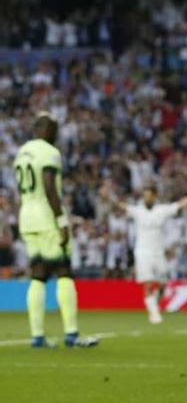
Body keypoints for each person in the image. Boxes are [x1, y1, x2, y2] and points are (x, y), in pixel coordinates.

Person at [13, 112, 98, 348]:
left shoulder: (22, 152)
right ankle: (72, 334)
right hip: (46, 217)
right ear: (44, 128)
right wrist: (61, 221)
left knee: (38, 275)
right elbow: (49, 186)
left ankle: (37, 336)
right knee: (64, 271)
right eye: (54, 129)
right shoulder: (49, 153)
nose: (57, 134)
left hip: (27, 217)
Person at [105, 184, 187, 324]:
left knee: (163, 284)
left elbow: (180, 204)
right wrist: (109, 197)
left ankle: (153, 304)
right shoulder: (138, 211)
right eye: (144, 196)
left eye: (149, 196)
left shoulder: (161, 210)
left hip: (158, 252)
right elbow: (122, 206)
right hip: (142, 251)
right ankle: (154, 313)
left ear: (155, 196)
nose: (146, 198)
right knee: (148, 282)